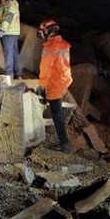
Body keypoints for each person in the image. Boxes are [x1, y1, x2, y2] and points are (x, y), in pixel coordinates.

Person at [37, 19, 73, 153]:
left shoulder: (49, 47)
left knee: (57, 114)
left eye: (43, 31)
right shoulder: (63, 44)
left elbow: (45, 69)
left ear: (47, 31)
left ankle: (65, 144)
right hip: (64, 80)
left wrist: (41, 86)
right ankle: (64, 142)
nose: (42, 34)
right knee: (56, 111)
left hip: (54, 84)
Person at [0, 0, 21, 79]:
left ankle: (9, 75)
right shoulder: (6, 1)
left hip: (8, 31)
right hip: (12, 31)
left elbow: (9, 15)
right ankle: (17, 74)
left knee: (8, 53)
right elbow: (2, 13)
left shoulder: (10, 1)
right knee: (14, 53)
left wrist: (2, 29)